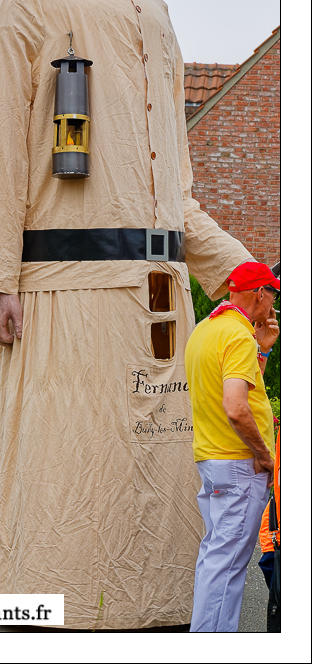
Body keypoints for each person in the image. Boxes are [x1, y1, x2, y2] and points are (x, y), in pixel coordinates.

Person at [0, 0, 256, 630]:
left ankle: (161, 607)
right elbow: (2, 142)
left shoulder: (154, 8)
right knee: (70, 460)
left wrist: (239, 270)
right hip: (65, 289)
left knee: (156, 453)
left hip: (158, 292)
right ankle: (54, 606)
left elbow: (175, 178)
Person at [184, 262, 279, 632]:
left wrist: (263, 351)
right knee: (227, 565)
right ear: (259, 293)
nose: (273, 303)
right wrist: (265, 457)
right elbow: (236, 407)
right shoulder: (238, 335)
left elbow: (238, 390)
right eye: (273, 294)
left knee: (216, 557)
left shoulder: (207, 328)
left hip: (213, 459)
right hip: (239, 464)